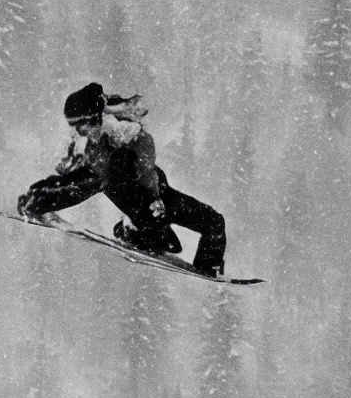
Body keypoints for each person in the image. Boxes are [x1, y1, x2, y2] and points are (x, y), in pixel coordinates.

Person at [17, 83, 227, 278]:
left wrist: (39, 199)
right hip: (149, 209)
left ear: (92, 119)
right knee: (208, 224)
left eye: (79, 125)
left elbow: (83, 184)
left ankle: (202, 265)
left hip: (155, 204)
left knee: (214, 223)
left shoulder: (115, 143)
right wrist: (39, 194)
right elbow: (79, 181)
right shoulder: (104, 145)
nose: (78, 131)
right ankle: (137, 232)